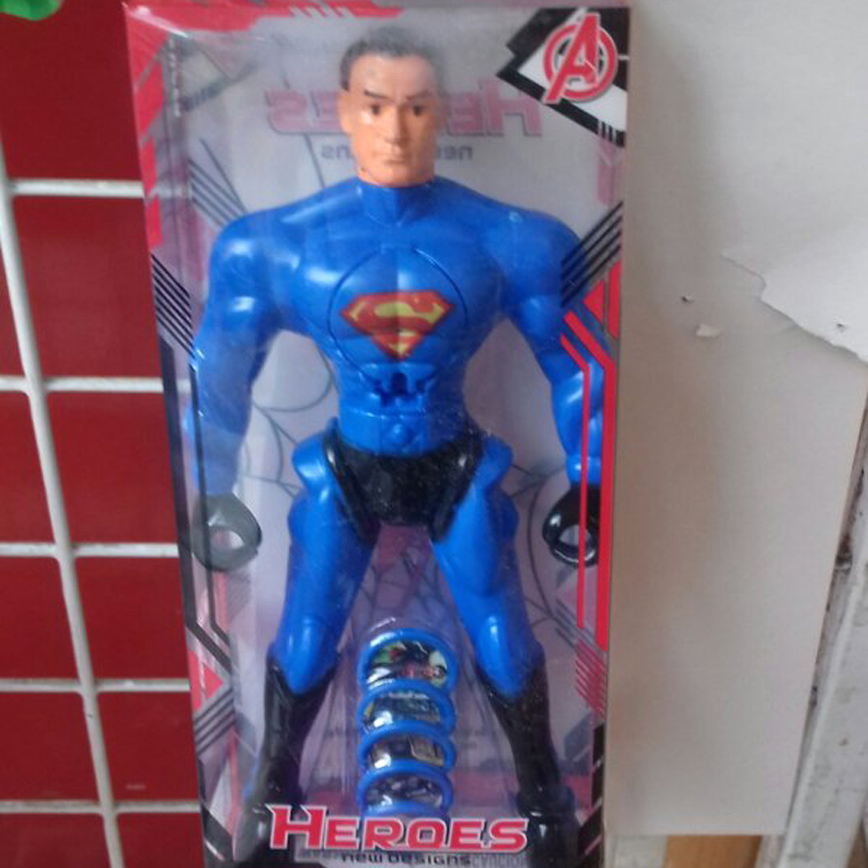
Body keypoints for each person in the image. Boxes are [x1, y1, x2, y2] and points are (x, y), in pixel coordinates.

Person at [189, 25, 604, 868]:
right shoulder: (279, 243)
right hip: (349, 464)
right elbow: (219, 375)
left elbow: (579, 367)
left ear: (441, 112)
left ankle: (543, 803)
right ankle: (274, 797)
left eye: (416, 108)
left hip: (456, 464)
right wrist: (206, 485)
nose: (396, 129)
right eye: (376, 106)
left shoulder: (509, 237)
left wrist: (592, 482)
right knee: (308, 631)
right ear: (343, 109)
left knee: (502, 633)